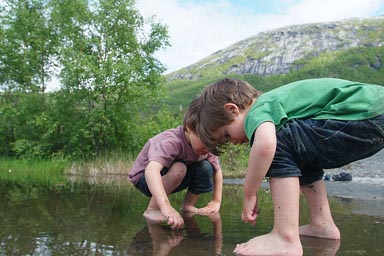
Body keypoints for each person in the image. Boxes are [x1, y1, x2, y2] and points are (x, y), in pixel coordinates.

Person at [196, 77, 384, 255]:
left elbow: (266, 146)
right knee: (300, 151)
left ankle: (284, 238)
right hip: (372, 113)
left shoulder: (258, 109)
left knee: (278, 140)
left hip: (367, 113)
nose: (234, 142)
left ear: (232, 110)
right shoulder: (275, 103)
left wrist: (249, 192)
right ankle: (322, 224)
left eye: (227, 135)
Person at [129, 97, 223, 230]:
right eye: (206, 141)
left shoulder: (207, 148)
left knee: (206, 167)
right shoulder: (172, 141)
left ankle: (188, 205)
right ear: (190, 128)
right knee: (180, 168)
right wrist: (165, 206)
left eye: (213, 143)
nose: (208, 149)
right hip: (145, 178)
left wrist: (216, 200)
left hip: (174, 175)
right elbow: (152, 170)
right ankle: (152, 209)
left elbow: (217, 171)